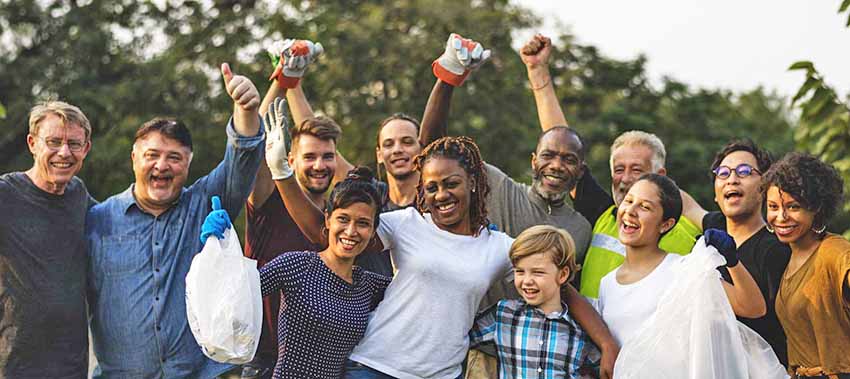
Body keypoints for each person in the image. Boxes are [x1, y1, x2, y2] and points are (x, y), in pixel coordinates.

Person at [416, 33, 612, 379]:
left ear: (580, 171)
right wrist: (448, 77)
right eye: (549, 155)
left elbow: (568, 292)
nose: (556, 165)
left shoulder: (582, 228)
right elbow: (433, 149)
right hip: (479, 345)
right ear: (534, 160)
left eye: (568, 160)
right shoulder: (499, 187)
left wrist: (606, 344)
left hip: (540, 354)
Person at [86, 63, 264, 378]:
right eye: (152, 155)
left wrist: (245, 108)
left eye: (174, 157)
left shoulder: (205, 203)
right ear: (134, 159)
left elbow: (243, 155)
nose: (162, 165)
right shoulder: (98, 219)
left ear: (188, 163)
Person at [201, 166, 391, 379]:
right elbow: (235, 296)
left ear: (374, 230)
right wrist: (220, 246)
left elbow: (418, 297)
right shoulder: (295, 265)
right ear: (328, 219)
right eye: (343, 219)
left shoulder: (370, 286)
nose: (351, 231)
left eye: (363, 223)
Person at [596, 174, 778, 376]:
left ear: (665, 224)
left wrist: (732, 261)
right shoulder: (606, 284)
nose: (630, 211)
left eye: (645, 207)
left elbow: (753, 307)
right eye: (629, 201)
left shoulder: (683, 269)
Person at [0, 101, 93, 378]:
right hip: (14, 366)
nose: (64, 152)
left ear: (85, 149)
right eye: (53, 142)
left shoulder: (79, 194)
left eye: (74, 144)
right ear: (32, 143)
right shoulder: (5, 194)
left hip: (72, 366)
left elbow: (123, 226)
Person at [682, 139, 790, 365]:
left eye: (744, 171)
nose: (732, 179)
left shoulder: (776, 249)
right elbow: (689, 206)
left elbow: (757, 311)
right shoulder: (716, 226)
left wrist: (691, 273)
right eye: (723, 173)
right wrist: (648, 175)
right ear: (715, 193)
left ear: (765, 187)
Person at [761, 152, 850, 378]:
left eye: (793, 207)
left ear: (816, 208)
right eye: (773, 206)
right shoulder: (788, 258)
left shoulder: (835, 252)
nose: (780, 217)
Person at [469, 225, 598, 379]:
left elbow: (601, 369)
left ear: (562, 275)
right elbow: (459, 336)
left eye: (538, 272)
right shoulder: (503, 315)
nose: (527, 281)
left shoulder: (578, 331)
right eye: (519, 271)